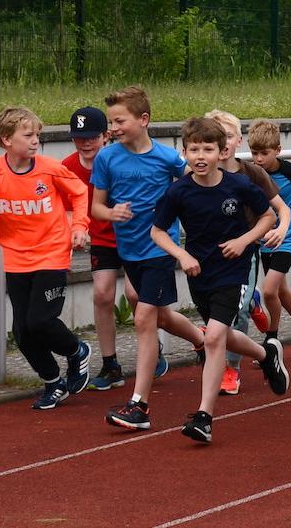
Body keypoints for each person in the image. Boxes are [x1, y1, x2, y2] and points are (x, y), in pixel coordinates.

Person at [151, 117, 290, 443]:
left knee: (213, 337)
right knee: (222, 333)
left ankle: (204, 417)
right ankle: (265, 354)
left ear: (221, 151)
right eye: (193, 149)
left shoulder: (237, 185)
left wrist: (245, 240)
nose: (200, 156)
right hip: (200, 273)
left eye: (207, 149)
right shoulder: (179, 191)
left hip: (234, 269)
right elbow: (157, 230)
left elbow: (269, 214)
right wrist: (182, 255)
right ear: (183, 152)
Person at [0, 106, 94, 410]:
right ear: (6, 139)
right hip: (17, 260)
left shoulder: (49, 168)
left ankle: (77, 351)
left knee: (40, 320)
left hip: (52, 253)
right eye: (28, 135)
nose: (36, 141)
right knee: (21, 330)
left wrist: (79, 226)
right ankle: (53, 382)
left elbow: (78, 193)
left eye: (38, 135)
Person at [95, 87, 205, 431]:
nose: (113, 127)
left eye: (120, 120)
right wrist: (112, 213)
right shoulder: (106, 158)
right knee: (157, 315)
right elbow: (96, 207)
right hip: (130, 250)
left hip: (160, 247)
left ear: (144, 120)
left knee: (143, 318)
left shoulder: (167, 158)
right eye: (111, 122)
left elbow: (197, 180)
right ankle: (203, 340)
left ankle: (139, 404)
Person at [206, 109, 290, 395]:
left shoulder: (250, 173)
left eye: (228, 135)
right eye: (216, 136)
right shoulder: (197, 173)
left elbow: (282, 208)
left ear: (238, 140)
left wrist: (280, 229)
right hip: (208, 254)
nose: (223, 142)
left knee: (234, 314)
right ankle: (253, 302)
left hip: (245, 253)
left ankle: (231, 368)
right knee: (212, 317)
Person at [61, 106, 139, 391]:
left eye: (92, 136)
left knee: (135, 293)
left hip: (132, 236)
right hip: (101, 239)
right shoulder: (67, 168)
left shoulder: (120, 160)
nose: (85, 142)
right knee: (102, 295)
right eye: (79, 137)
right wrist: (74, 235)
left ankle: (153, 347)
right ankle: (110, 364)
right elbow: (65, 210)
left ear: (105, 136)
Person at [247, 119, 291, 354]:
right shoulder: (252, 174)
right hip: (265, 240)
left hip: (289, 237)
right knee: (279, 290)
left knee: (268, 291)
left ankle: (271, 340)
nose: (258, 159)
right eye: (254, 153)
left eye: (264, 153)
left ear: (277, 150)